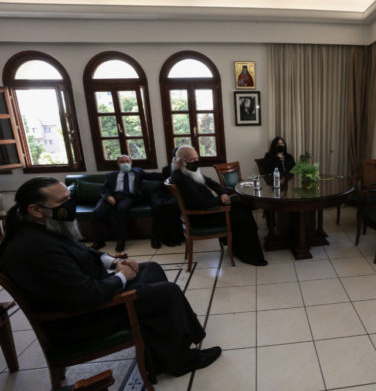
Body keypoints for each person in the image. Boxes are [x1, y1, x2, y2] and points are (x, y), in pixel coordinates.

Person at [0, 177, 221, 381]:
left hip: (86, 299)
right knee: (166, 293)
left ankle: (161, 351)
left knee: (151, 269)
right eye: (62, 201)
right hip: (79, 321)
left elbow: (80, 251)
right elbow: (87, 295)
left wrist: (113, 262)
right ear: (35, 209)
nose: (70, 204)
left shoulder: (39, 228)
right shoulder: (36, 249)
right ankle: (180, 361)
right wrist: (122, 278)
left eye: (69, 197)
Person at [170, 145, 268, 266]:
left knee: (243, 204)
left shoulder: (188, 171)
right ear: (181, 162)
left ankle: (242, 246)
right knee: (242, 214)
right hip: (201, 216)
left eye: (197, 159)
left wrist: (223, 193)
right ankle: (250, 255)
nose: (196, 162)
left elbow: (211, 182)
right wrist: (220, 200)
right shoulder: (181, 178)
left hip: (209, 208)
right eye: (192, 160)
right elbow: (198, 203)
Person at [91, 155, 162, 252]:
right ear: (118, 164)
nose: (125, 163)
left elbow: (153, 176)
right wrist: (107, 197)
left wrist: (170, 172)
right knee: (97, 213)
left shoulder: (138, 172)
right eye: (122, 162)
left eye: (127, 161)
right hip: (111, 196)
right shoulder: (110, 175)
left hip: (128, 197)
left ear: (131, 162)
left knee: (122, 210)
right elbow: (104, 188)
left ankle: (121, 241)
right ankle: (98, 241)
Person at [149, 148, 185, 249]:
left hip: (176, 195)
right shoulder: (167, 169)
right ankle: (155, 237)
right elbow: (166, 186)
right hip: (162, 193)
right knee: (158, 206)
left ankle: (173, 238)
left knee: (171, 206)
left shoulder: (189, 168)